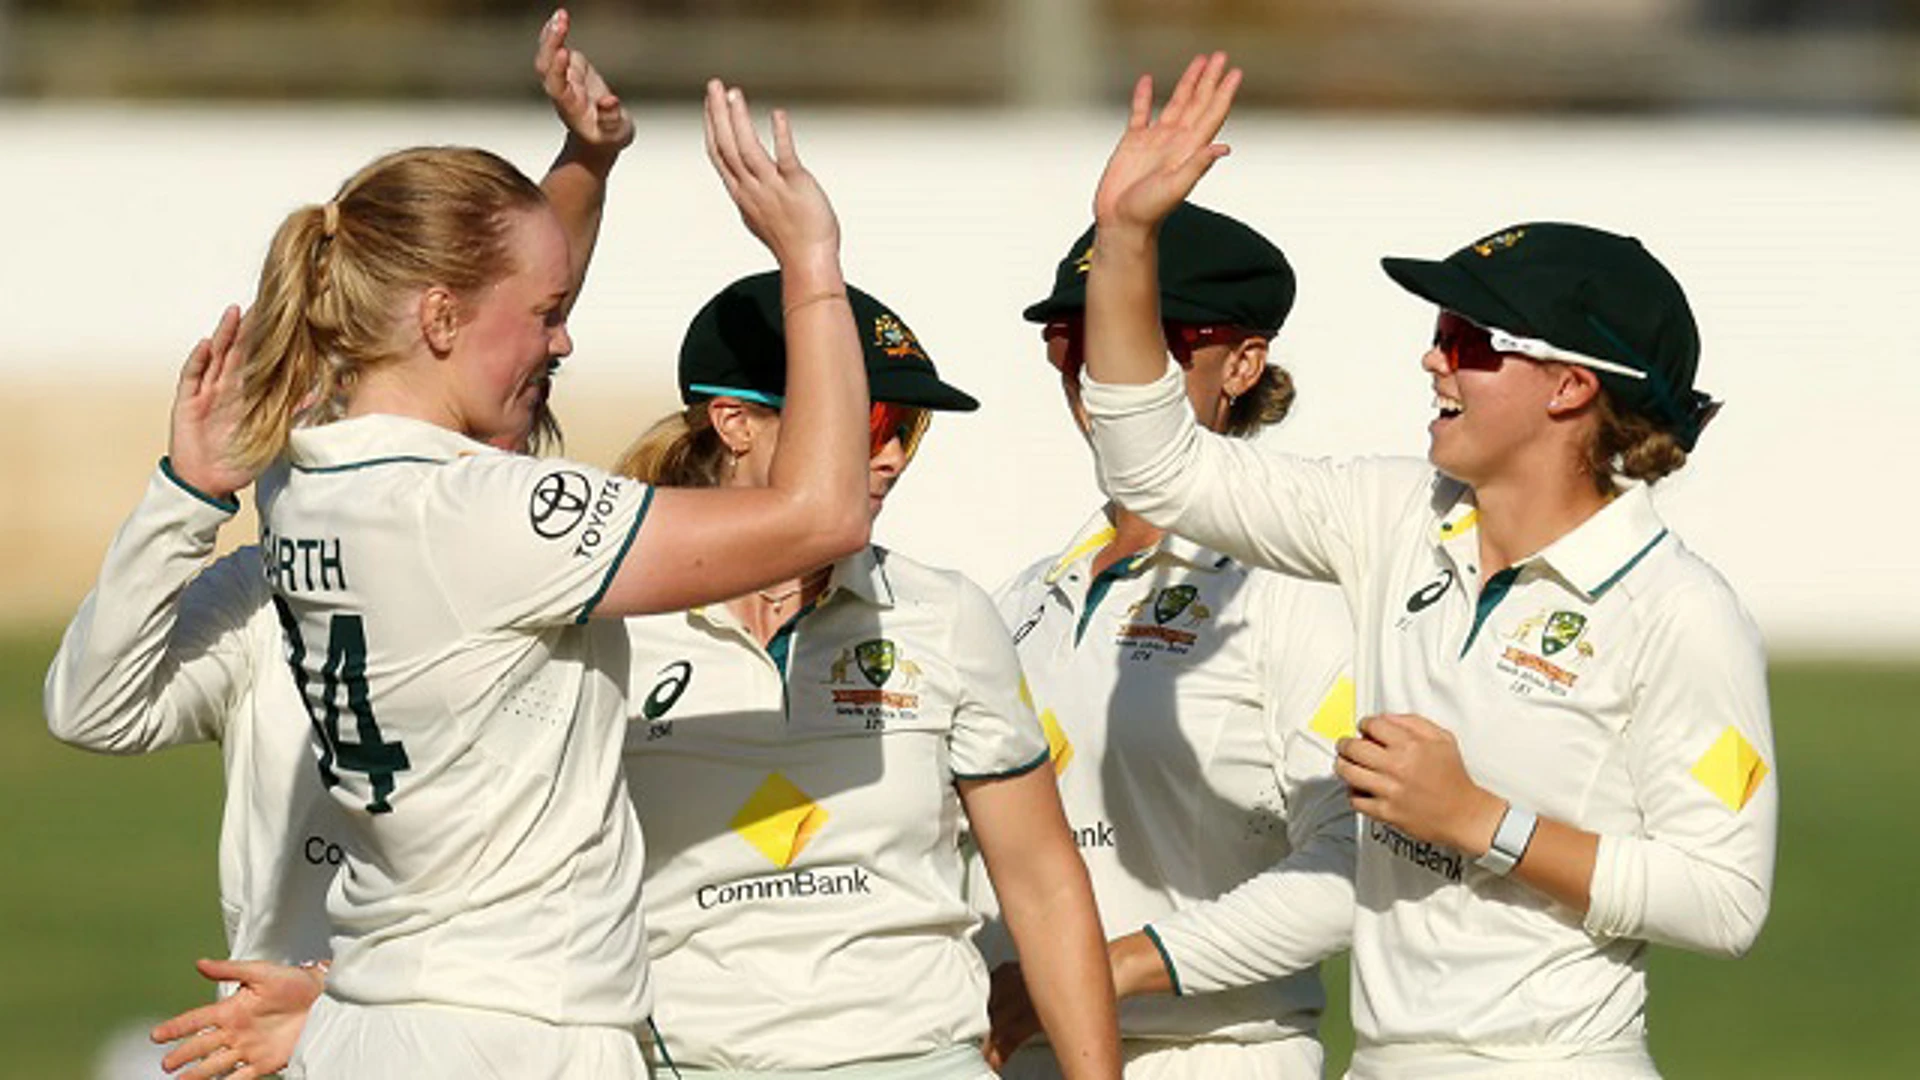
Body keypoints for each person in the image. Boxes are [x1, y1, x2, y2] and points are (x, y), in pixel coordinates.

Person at [94, 71, 871, 1079]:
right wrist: (811, 264)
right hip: (515, 1036)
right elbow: (823, 514)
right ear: (439, 317)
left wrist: (585, 168)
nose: (564, 336)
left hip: (371, 1021)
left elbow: (487, 336)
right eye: (549, 313)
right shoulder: (479, 517)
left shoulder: (306, 484)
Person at [1073, 54, 1776, 1078]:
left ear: (1571, 388)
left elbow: (1724, 901)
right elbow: (1155, 463)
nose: (1432, 358)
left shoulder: (1679, 609)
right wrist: (1127, 238)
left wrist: (1480, 821)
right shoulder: (1395, 514)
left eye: (1466, 336)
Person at [43, 11, 636, 1077]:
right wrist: (185, 495)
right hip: (327, 1038)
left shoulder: (497, 528)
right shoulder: (277, 588)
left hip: (440, 1024)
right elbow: (91, 707)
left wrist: (583, 167)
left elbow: (505, 312)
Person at [616, 272, 1123, 1080]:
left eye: (909, 430)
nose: (890, 458)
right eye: (871, 422)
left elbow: (1041, 880)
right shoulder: (609, 624)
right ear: (735, 423)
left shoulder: (946, 613)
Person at [972, 203, 1356, 1080]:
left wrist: (1103, 973)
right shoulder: (1020, 598)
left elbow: (1357, 867)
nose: (1101, 362)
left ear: (1245, 363)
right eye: (1075, 335)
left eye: (1146, 332)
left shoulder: (1297, 586)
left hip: (1211, 1056)